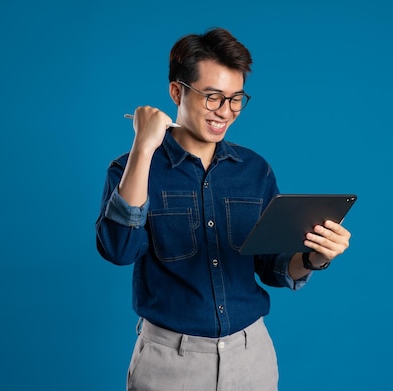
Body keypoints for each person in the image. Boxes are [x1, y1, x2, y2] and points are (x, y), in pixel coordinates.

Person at [95, 27, 352, 391]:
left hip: (251, 357)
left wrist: (314, 257)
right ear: (176, 92)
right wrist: (143, 147)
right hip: (169, 362)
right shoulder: (129, 169)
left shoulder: (255, 170)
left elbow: (272, 267)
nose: (226, 112)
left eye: (236, 99)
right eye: (212, 97)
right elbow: (119, 250)